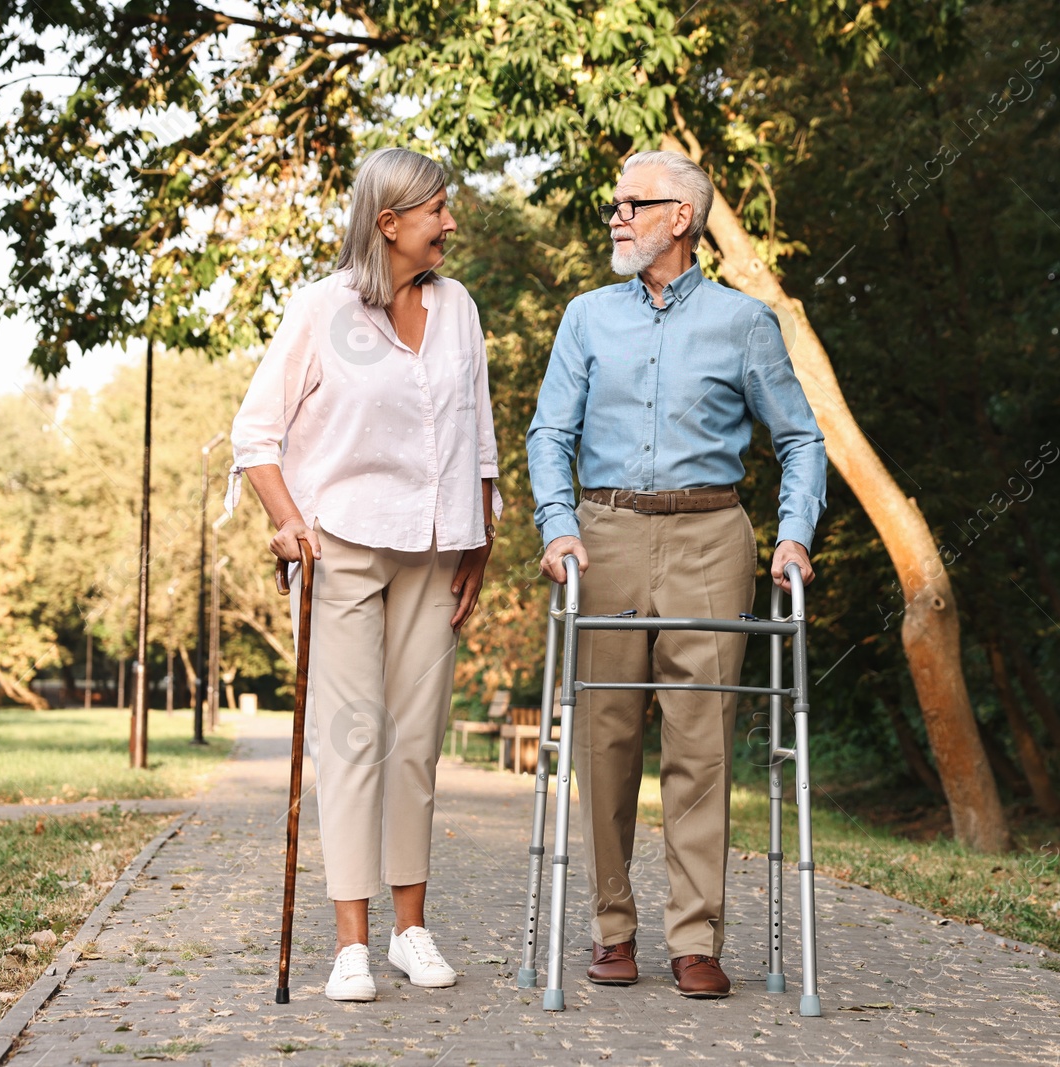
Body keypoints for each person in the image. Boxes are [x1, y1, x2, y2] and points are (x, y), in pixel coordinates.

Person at [526, 150, 826, 998]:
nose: (616, 216)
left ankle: (696, 936)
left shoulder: (743, 323)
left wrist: (794, 535)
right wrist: (557, 524)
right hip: (607, 532)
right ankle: (611, 928)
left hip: (710, 536)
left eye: (634, 203)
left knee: (700, 741)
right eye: (616, 203)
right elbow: (550, 434)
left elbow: (800, 438)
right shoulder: (586, 317)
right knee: (608, 737)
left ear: (680, 219)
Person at [227, 147, 500, 1003]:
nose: (450, 223)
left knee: (415, 741)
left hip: (436, 543)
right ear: (389, 224)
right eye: (436, 211)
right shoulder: (323, 310)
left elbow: (479, 433)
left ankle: (409, 928)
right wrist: (285, 519)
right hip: (341, 544)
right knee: (350, 741)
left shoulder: (458, 309)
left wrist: (483, 541)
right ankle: (350, 942)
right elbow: (255, 433)